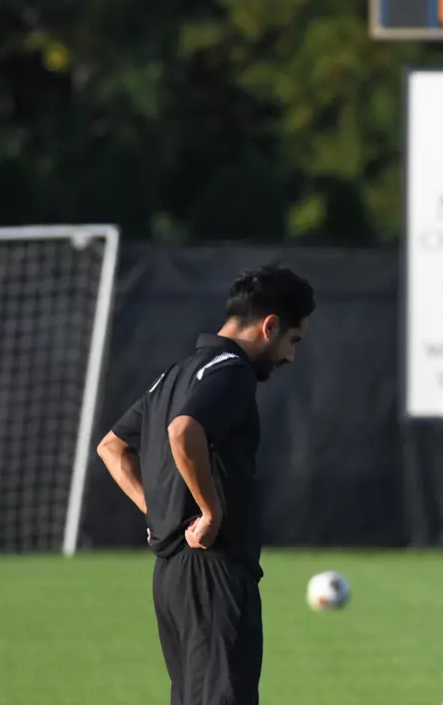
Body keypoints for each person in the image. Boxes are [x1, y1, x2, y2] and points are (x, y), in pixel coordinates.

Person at [96, 264, 316, 705]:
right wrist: (210, 512)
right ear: (270, 325)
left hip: (172, 574)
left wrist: (157, 511)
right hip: (213, 569)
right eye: (292, 340)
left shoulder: (176, 373)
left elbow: (112, 447)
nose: (290, 356)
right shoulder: (230, 371)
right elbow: (183, 431)